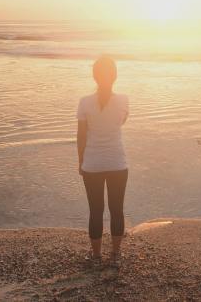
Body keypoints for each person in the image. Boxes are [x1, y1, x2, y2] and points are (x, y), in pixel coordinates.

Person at [77, 55, 129, 265]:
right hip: (117, 163)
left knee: (95, 211)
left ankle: (97, 256)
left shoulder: (84, 102)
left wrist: (81, 162)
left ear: (94, 76)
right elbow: (121, 121)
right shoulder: (124, 100)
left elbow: (81, 136)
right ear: (114, 76)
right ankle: (116, 255)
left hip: (92, 164)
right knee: (117, 210)